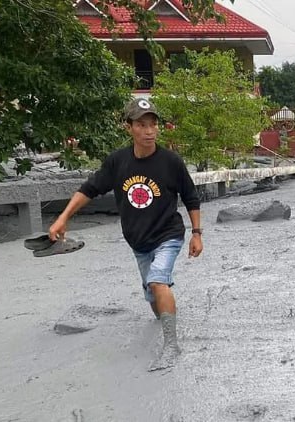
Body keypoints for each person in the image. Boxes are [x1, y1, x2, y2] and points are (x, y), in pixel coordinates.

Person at [48, 98, 203, 371]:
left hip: (169, 234)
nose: (149, 131)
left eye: (153, 124)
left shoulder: (171, 162)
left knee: (157, 281)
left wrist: (197, 233)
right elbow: (89, 189)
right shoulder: (117, 162)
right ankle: (163, 308)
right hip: (138, 241)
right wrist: (63, 218)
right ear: (128, 127)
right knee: (154, 297)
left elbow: (191, 197)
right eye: (141, 125)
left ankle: (171, 346)